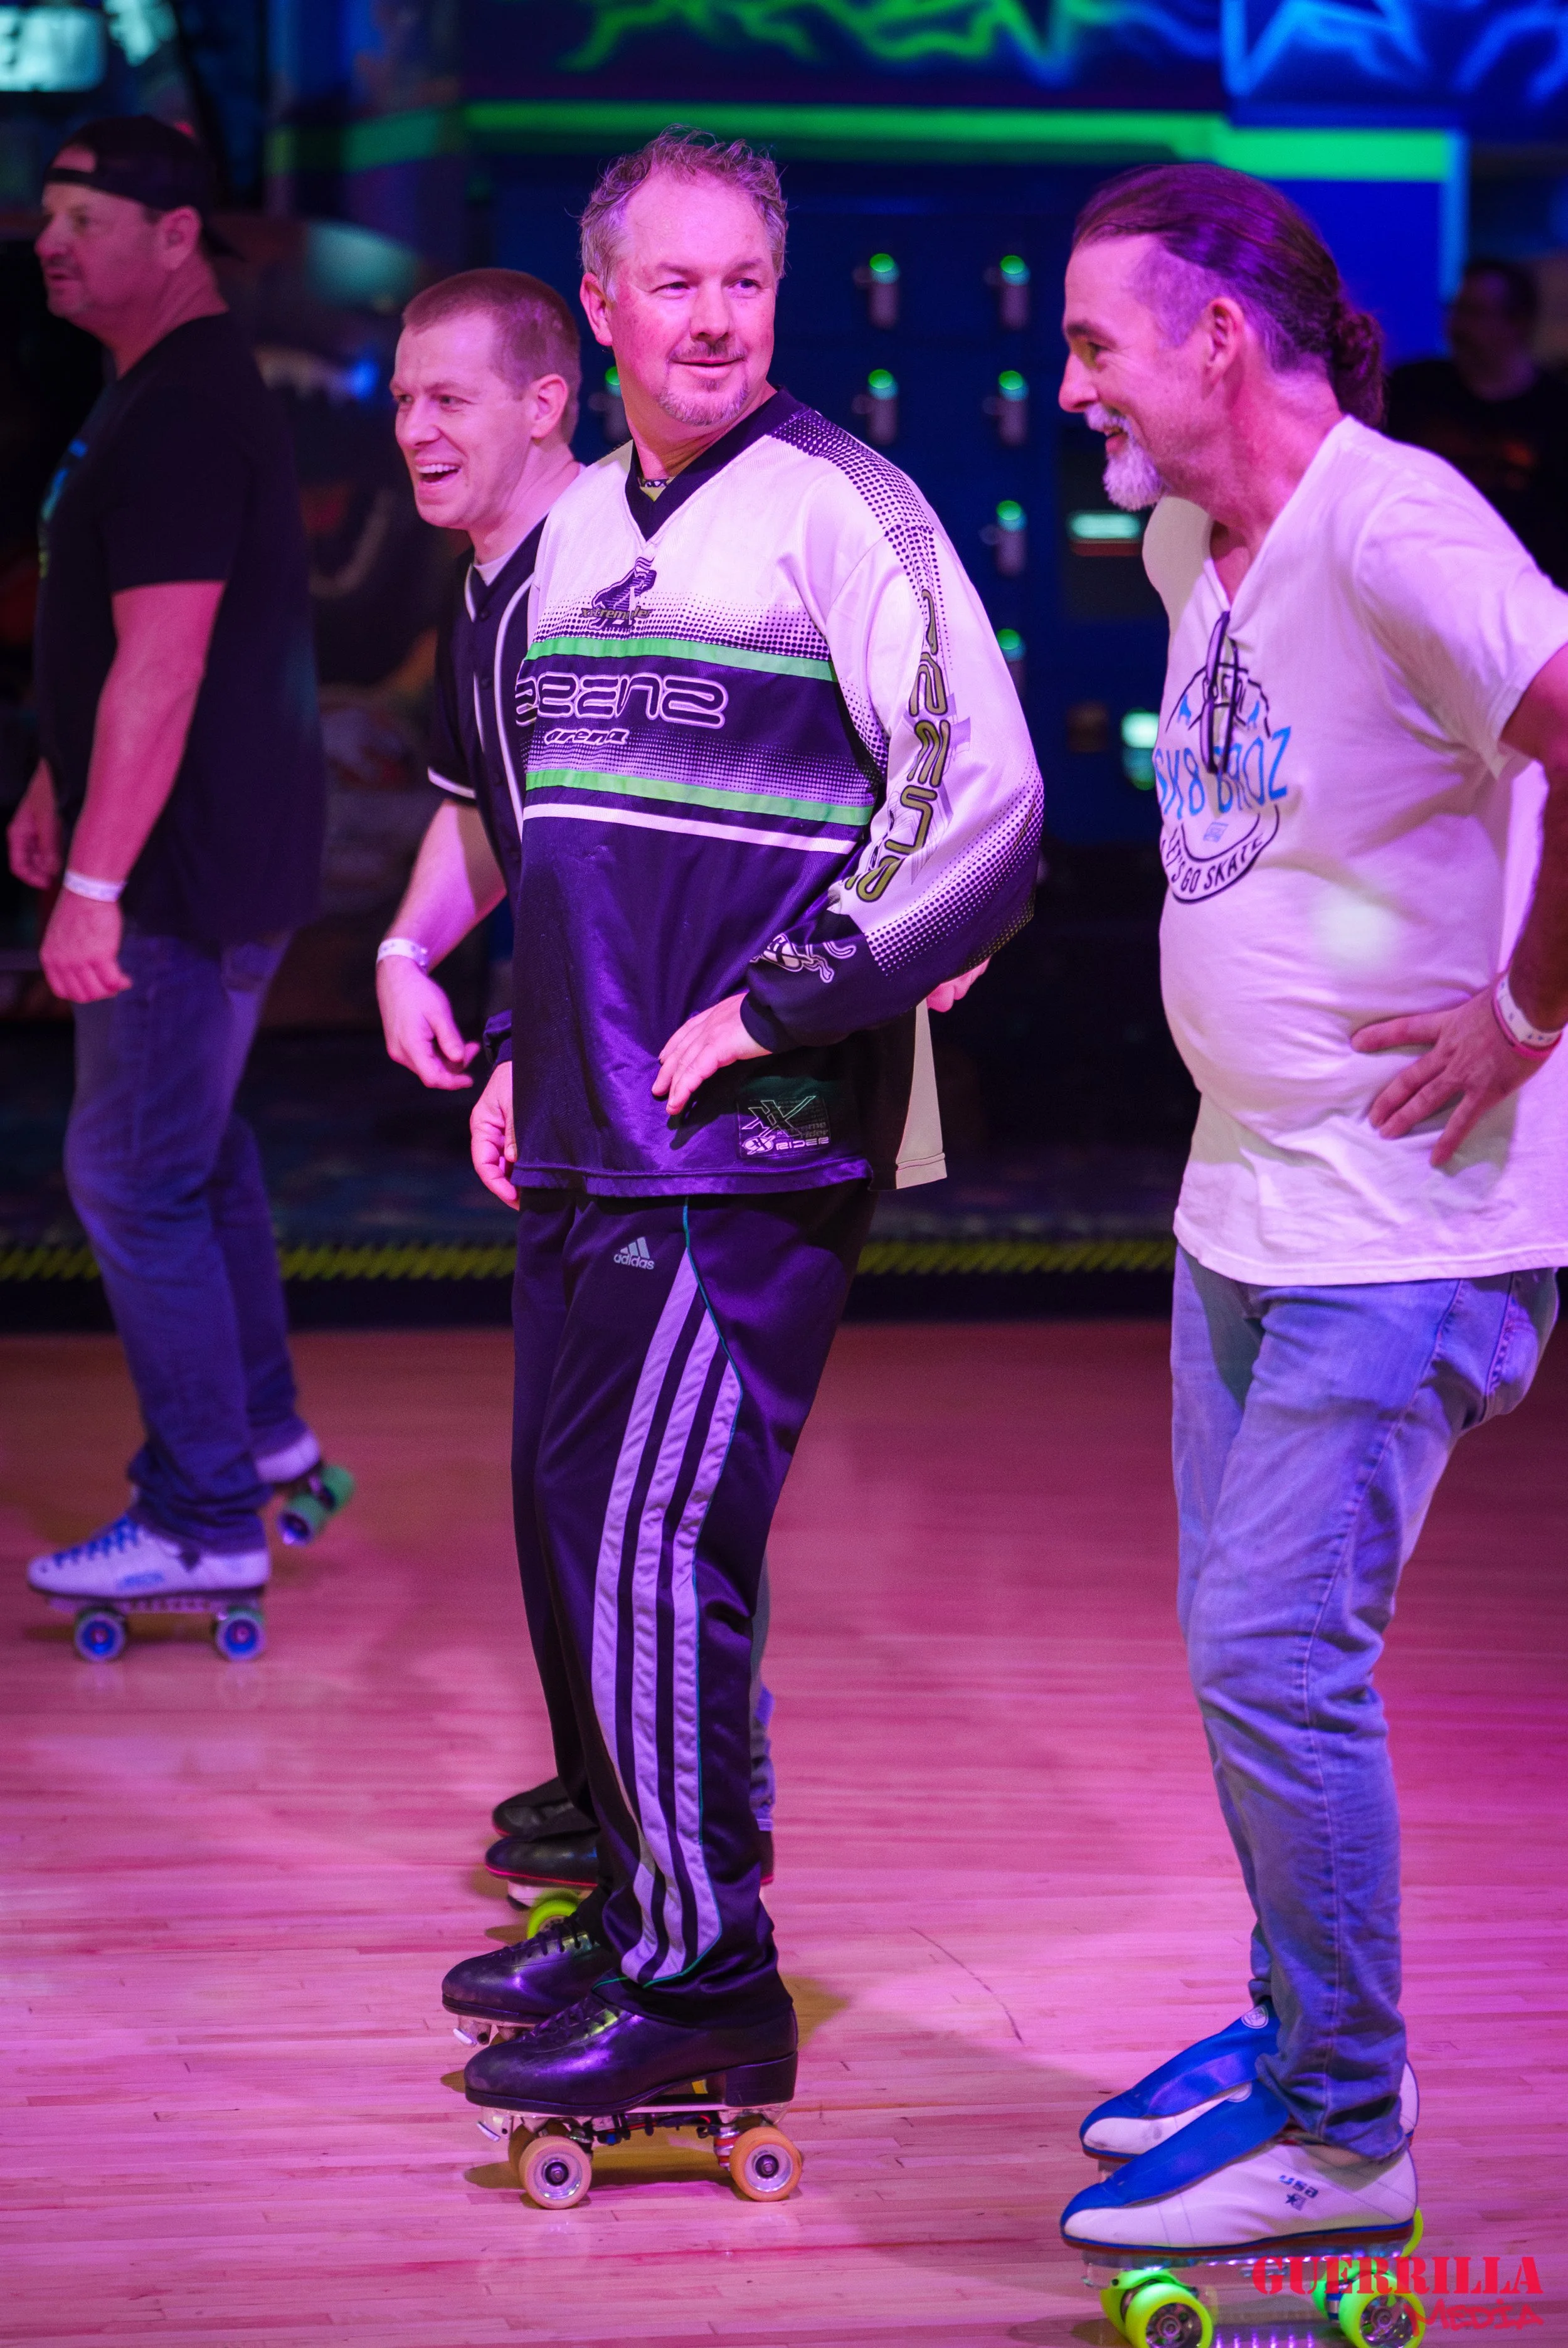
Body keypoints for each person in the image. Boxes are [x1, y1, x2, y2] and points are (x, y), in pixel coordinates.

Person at [441, 127, 1041, 2115]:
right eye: (673, 284)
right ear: (598, 304)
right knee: (574, 1526)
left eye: (745, 281)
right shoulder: (579, 535)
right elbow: (562, 846)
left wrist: (784, 1000)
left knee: (655, 1531)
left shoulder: (842, 511)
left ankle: (707, 1982)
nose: (714, 318)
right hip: (588, 1132)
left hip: (750, 1138)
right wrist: (529, 1032)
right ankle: (636, 1899)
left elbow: (990, 808)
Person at [1054, 162, 1567, 2260]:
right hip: (1246, 1205)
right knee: (1241, 1651)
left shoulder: (1400, 523)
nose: (1069, 380)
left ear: (1217, 341)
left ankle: (1348, 2127)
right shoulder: (1198, 537)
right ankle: (1291, 2026)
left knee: (1279, 1652)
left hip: (1406, 1227)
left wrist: (1530, 1005)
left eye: (1097, 341)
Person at [374, 265, 782, 1939]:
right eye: (400, 402)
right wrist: (414, 943)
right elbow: (494, 813)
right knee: (560, 1468)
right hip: (579, 1085)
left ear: (549, 403)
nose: (412, 430)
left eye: (446, 398)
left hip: (683, 1106)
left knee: (637, 1495)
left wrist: (545, 1028)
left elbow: (650, 855)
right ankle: (601, 1783)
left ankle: (670, 1888)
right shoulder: (490, 595)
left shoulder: (608, 584)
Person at [9, 117, 329, 1605]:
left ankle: (202, 1513)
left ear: (177, 236)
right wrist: (56, 777)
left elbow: (170, 653)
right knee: (198, 1149)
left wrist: (94, 883)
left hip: (183, 869)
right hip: (207, 843)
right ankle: (257, 1436)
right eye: (48, 214)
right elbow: (118, 639)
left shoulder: (187, 404)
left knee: (130, 1175)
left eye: (85, 216)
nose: (50, 239)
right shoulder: (152, 393)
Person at [1385, 257, 1568, 587]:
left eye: (1475, 312)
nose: (1458, 325)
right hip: (1419, 583)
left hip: (1528, 597)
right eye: (1456, 309)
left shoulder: (1557, 411)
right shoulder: (1411, 390)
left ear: (1518, 323)